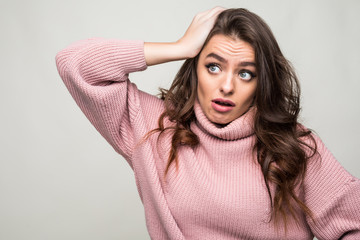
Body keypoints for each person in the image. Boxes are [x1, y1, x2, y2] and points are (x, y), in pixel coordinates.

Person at [55, 7, 360, 240]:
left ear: (261, 83)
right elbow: (75, 64)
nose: (226, 86)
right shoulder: (154, 128)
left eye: (245, 73)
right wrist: (179, 47)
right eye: (213, 66)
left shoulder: (294, 147)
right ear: (195, 68)